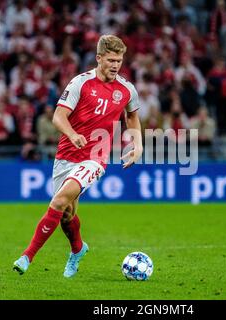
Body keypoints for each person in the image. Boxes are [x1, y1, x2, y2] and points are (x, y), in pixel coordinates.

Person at [13, 35, 143, 278]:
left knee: (59, 200)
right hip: (66, 155)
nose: (116, 65)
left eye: (120, 60)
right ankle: (78, 249)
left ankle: (27, 256)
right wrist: (72, 134)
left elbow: (132, 116)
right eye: (111, 60)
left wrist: (138, 145)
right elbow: (58, 116)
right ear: (99, 58)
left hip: (96, 156)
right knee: (66, 215)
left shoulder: (126, 89)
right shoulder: (80, 83)